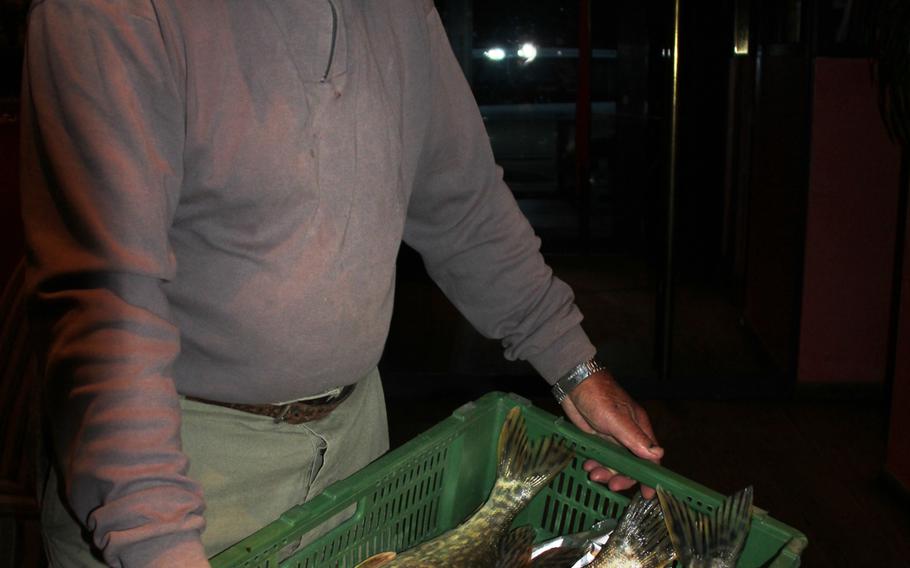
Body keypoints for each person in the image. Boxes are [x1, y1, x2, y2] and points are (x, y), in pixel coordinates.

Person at [19, 0, 664, 566]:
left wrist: (574, 365)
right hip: (177, 469)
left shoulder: (401, 11)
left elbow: (463, 206)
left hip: (359, 448)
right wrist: (156, 539)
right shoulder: (112, 12)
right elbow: (107, 307)